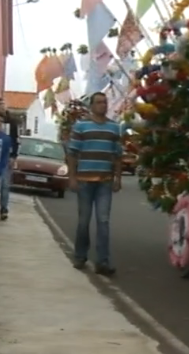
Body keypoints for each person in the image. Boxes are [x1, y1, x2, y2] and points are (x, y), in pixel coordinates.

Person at [67, 92, 123, 276]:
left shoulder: (114, 128)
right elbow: (72, 153)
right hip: (84, 182)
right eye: (98, 102)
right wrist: (72, 177)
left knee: (103, 221)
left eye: (105, 102)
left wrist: (117, 178)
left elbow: (118, 156)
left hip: (104, 183)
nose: (102, 105)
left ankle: (103, 262)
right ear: (91, 105)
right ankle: (80, 256)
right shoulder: (81, 126)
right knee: (83, 221)